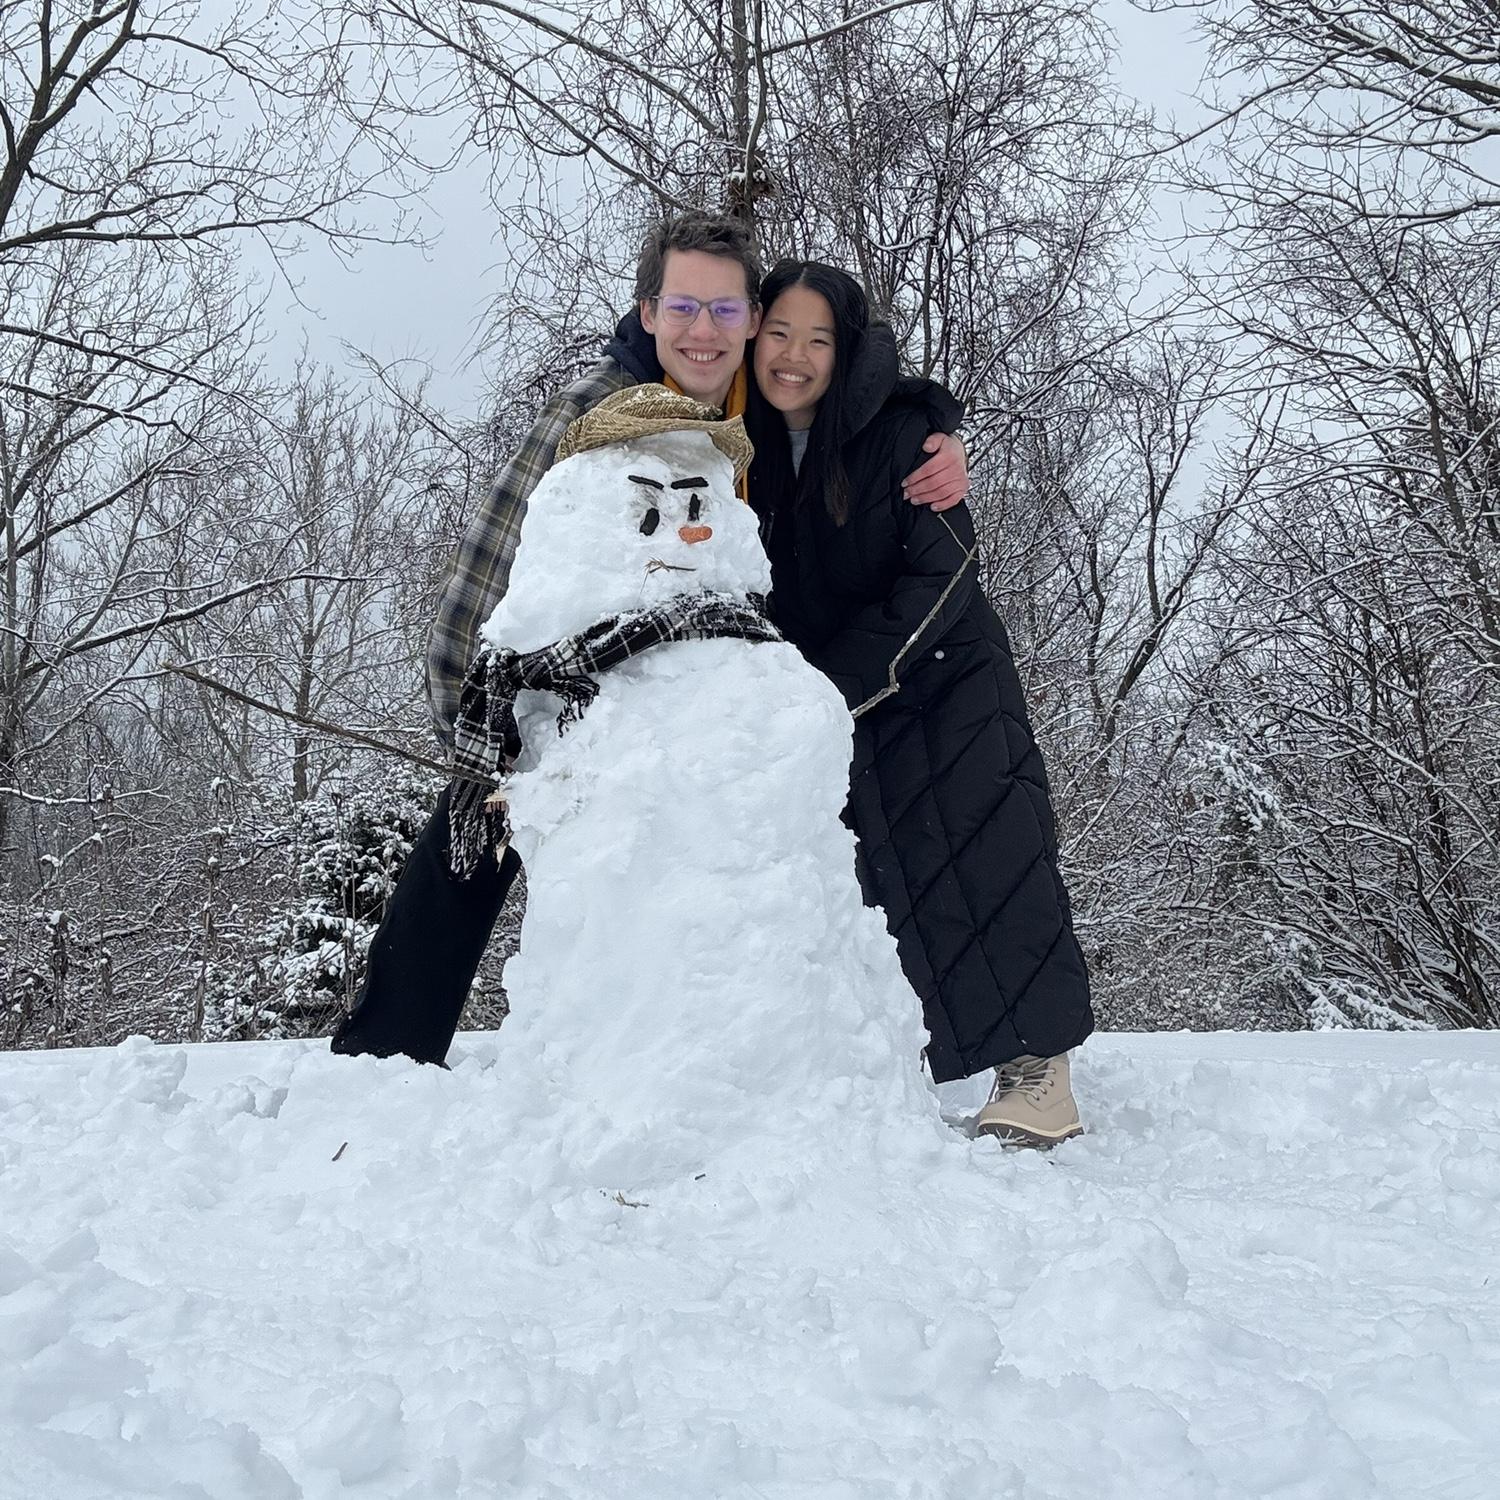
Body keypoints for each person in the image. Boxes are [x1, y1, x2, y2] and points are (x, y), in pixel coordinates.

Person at [330, 212, 968, 1067]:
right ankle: (386, 1055)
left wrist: (936, 427)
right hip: (564, 696)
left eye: (726, 311)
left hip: (678, 704)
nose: (704, 331)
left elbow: (857, 401)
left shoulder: (746, 414)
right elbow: (493, 565)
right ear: (645, 313)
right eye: (683, 308)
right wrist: (478, 727)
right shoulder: (598, 417)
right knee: (480, 843)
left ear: (749, 319)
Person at [742, 261, 1095, 1145]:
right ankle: (896, 1060)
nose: (794, 355)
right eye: (778, 332)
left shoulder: (902, 439)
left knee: (989, 858)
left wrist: (838, 684)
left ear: (848, 351)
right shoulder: (733, 447)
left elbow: (944, 570)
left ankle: (1039, 1072)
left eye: (818, 338)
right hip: (839, 702)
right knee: (884, 882)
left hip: (942, 679)